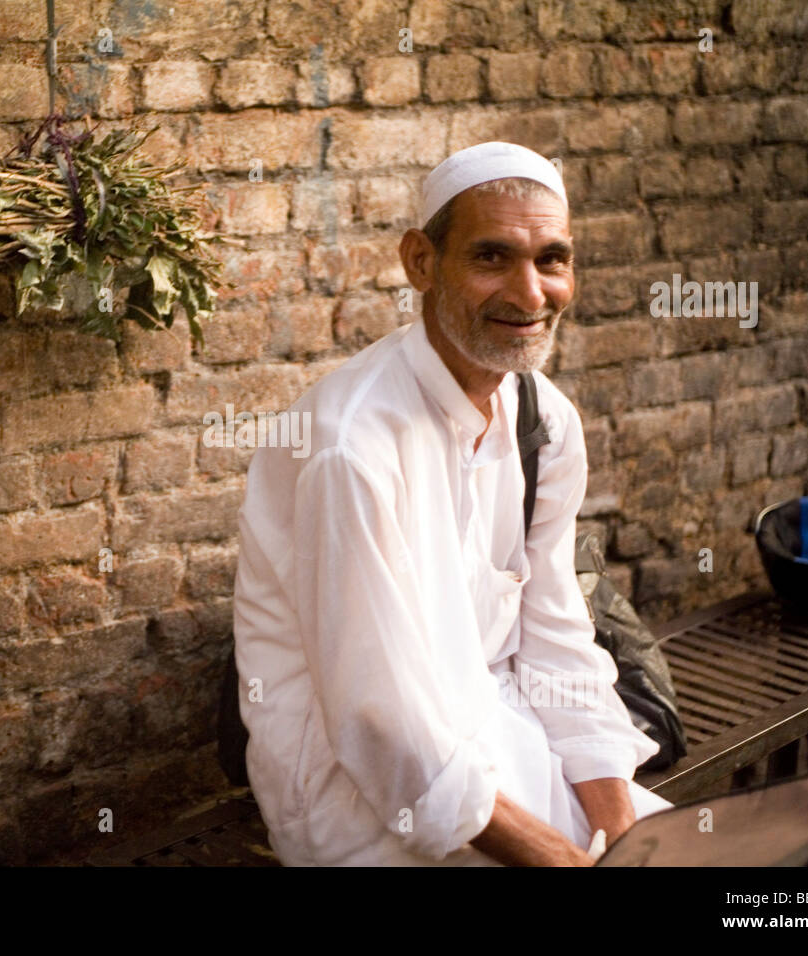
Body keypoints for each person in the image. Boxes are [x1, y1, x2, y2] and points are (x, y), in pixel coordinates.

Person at [232, 141, 674, 866]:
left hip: (507, 734)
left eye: (552, 260)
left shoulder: (544, 420)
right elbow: (382, 722)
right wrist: (562, 860)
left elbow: (558, 636)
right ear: (421, 262)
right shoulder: (351, 446)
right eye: (492, 257)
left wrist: (623, 836)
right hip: (365, 796)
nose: (531, 295)